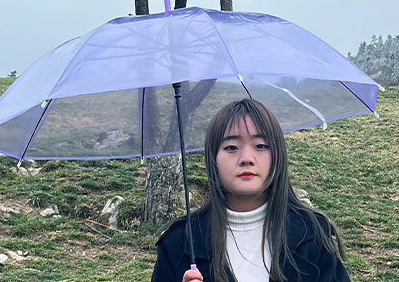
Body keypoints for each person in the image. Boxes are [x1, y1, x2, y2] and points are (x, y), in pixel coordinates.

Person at [151, 98, 352, 282]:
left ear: (278, 155)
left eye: (261, 146)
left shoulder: (313, 233)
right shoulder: (179, 242)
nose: (247, 158)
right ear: (213, 158)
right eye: (231, 147)